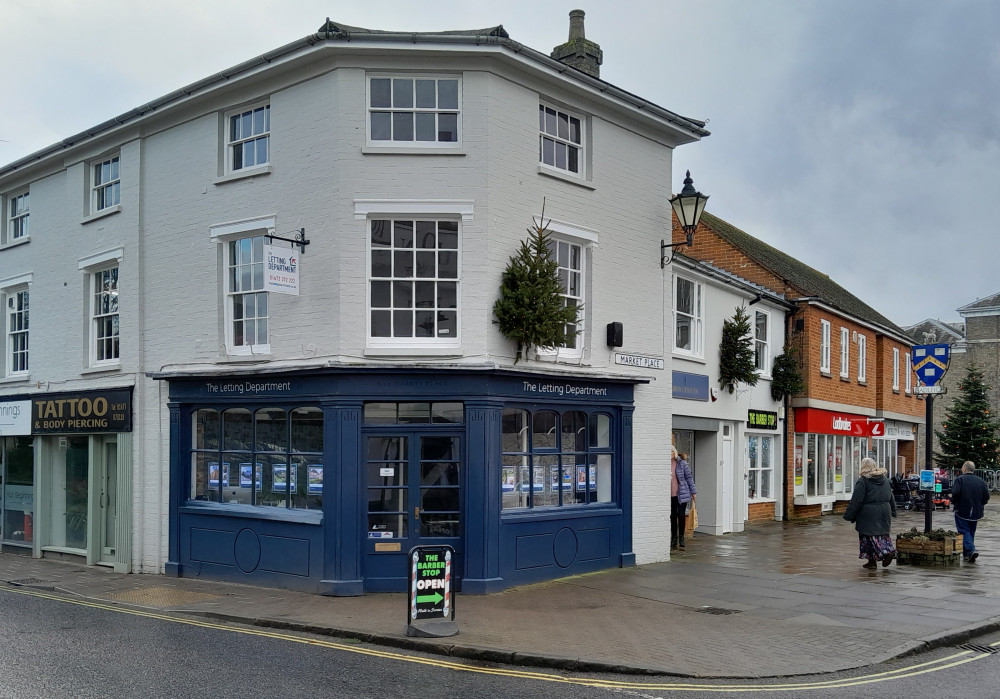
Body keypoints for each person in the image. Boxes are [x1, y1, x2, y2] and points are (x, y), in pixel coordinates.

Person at [843, 457, 897, 569]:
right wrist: (894, 510)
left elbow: (857, 500)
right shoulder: (885, 480)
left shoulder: (863, 481)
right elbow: (891, 497)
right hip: (884, 512)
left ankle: (886, 553)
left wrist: (849, 515)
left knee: (869, 537)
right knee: (882, 535)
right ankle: (873, 561)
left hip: (868, 514)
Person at [951, 460, 990, 562]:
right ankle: (968, 553)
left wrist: (954, 502)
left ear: (964, 468)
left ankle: (971, 549)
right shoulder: (981, 481)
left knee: (964, 530)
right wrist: (981, 504)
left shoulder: (960, 480)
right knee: (971, 531)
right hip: (976, 511)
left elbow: (955, 493)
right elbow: (986, 496)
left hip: (962, 509)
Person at [670, 445, 697, 550]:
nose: (670, 454)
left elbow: (689, 477)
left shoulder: (681, 463)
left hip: (681, 493)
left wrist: (693, 492)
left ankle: (681, 538)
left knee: (681, 515)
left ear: (675, 452)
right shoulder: (664, 464)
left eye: (672, 452)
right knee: (673, 516)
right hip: (670, 495)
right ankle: (674, 538)